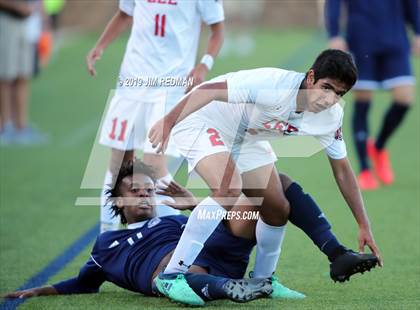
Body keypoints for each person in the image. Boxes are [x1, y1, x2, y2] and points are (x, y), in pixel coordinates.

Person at [148, 49, 382, 294]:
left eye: (339, 93)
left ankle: (264, 282)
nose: (330, 99)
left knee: (277, 207)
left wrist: (363, 224)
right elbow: (208, 90)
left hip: (245, 137)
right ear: (311, 77)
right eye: (327, 87)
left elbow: (343, 171)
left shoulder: (331, 116)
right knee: (228, 188)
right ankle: (172, 276)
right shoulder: (272, 84)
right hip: (202, 119)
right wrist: (168, 121)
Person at [5, 160, 378, 306]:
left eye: (148, 188)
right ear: (116, 202)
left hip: (217, 250)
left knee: (272, 186)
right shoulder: (106, 245)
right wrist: (40, 289)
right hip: (175, 273)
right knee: (171, 266)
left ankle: (334, 252)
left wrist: (193, 203)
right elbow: (86, 283)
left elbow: (231, 213)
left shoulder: (175, 219)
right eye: (133, 190)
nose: (144, 192)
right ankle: (229, 288)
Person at [86, 0, 225, 232]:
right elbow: (123, 14)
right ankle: (106, 238)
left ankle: (175, 237)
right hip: (131, 82)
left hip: (171, 87)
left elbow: (218, 30)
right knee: (119, 166)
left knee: (154, 169)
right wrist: (100, 46)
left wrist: (203, 66)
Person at [325, 0, 420, 190]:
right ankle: (365, 169)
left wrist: (418, 32)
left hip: (395, 41)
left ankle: (378, 147)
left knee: (405, 99)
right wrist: (334, 33)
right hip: (361, 41)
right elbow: (333, 3)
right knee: (363, 101)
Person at [0, 0, 49, 145]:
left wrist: (41, 13)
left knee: (23, 75)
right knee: (6, 76)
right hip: (6, 21)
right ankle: (5, 126)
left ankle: (21, 126)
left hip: (27, 24)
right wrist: (17, 6)